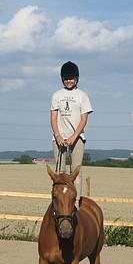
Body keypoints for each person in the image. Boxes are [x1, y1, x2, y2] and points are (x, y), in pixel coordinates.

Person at [50, 61, 93, 208]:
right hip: (59, 138)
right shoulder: (57, 95)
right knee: (59, 173)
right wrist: (58, 136)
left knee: (76, 171)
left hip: (77, 137)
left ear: (77, 78)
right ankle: (57, 202)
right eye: (66, 78)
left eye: (71, 78)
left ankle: (76, 203)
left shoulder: (82, 95)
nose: (69, 81)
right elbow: (53, 117)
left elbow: (84, 119)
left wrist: (74, 136)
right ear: (62, 79)